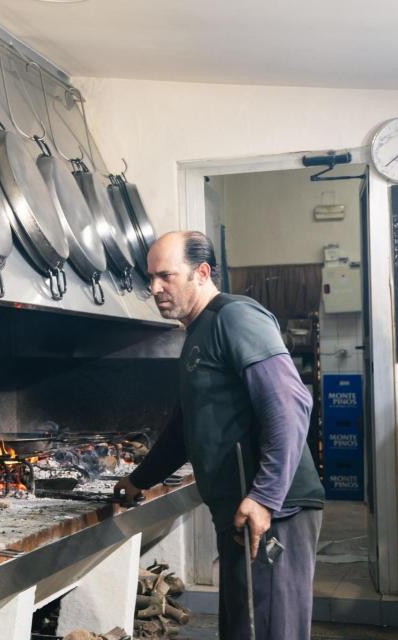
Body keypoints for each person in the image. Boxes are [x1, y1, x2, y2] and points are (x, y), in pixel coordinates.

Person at [115, 231, 325, 640]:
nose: (154, 289)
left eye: (165, 276)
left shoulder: (235, 317)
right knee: (243, 629)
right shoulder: (198, 333)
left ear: (202, 273)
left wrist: (265, 496)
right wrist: (139, 479)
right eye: (150, 278)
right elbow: (183, 430)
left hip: (276, 510)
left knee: (268, 631)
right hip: (240, 510)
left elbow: (290, 404)